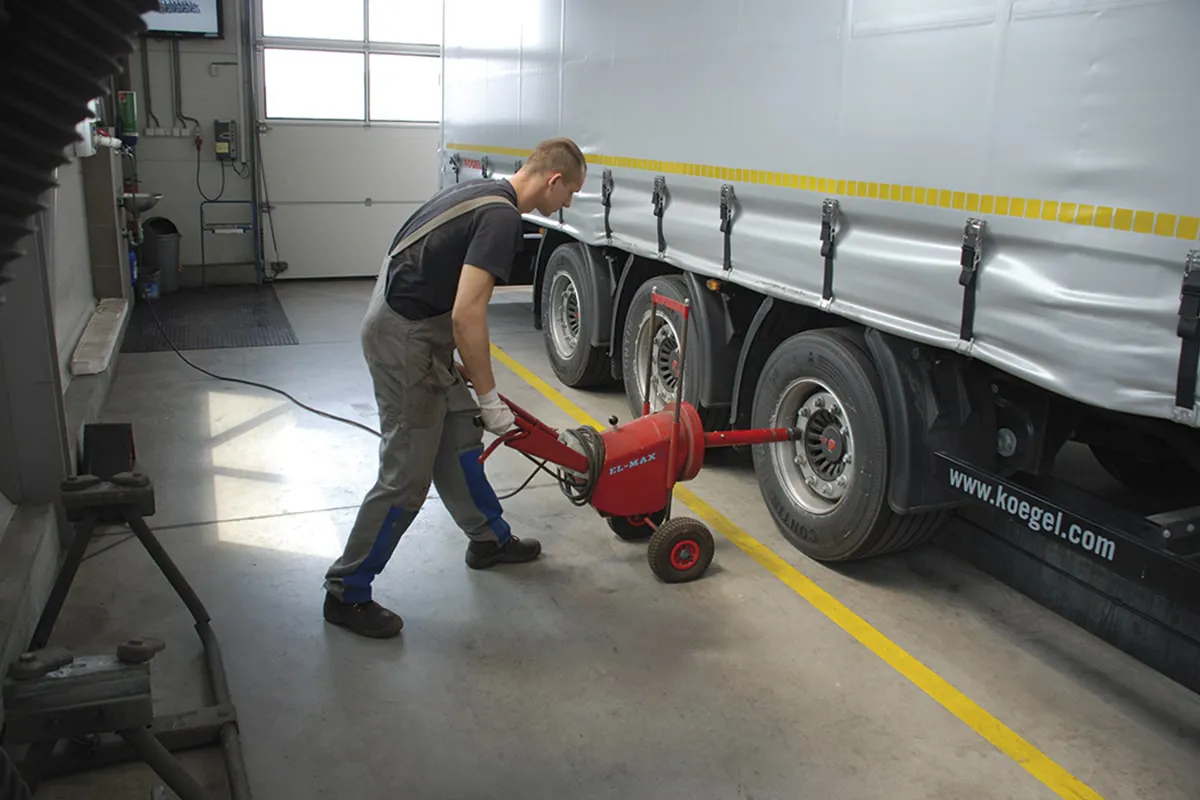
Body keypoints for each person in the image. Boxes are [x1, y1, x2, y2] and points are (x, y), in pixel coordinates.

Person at [323, 137, 588, 638]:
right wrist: (490, 397)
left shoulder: (481, 192)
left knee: (459, 432)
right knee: (406, 475)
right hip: (404, 338)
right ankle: (346, 591)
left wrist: (447, 358)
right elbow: (468, 314)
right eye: (570, 192)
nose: (567, 204)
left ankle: (489, 539)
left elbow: (427, 272)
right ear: (553, 180)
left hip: (413, 325)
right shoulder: (502, 217)